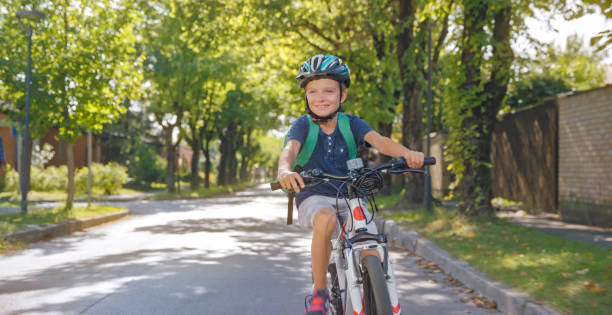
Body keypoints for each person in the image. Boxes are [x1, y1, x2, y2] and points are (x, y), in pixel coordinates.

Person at [276, 54, 424, 315]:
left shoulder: (351, 123)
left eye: (329, 91)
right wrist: (284, 169)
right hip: (315, 194)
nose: (321, 97)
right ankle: (319, 294)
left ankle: (377, 294)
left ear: (342, 96)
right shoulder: (303, 125)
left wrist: (406, 153)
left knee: (372, 245)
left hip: (352, 193)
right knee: (325, 219)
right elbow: (290, 149)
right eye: (313, 91)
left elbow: (379, 140)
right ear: (306, 96)